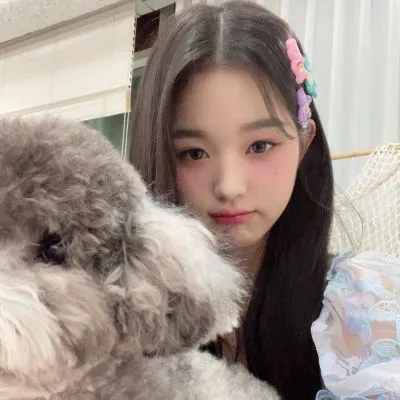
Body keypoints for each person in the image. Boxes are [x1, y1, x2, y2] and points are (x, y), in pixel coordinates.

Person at [130, 1, 400, 398]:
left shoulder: (366, 308)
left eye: (259, 145)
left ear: (304, 142)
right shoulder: (114, 319)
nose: (229, 186)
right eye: (193, 152)